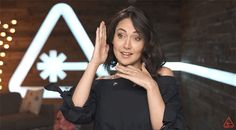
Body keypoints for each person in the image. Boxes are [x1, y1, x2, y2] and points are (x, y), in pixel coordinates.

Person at [56, 6, 185, 130]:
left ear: (145, 43)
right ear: (112, 39)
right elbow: (75, 112)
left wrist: (150, 85)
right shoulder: (102, 83)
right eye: (121, 36)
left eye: (137, 38)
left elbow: (166, 127)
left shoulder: (162, 76)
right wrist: (94, 63)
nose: (126, 45)